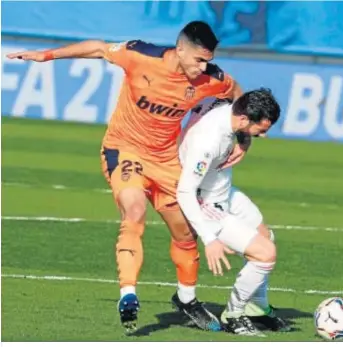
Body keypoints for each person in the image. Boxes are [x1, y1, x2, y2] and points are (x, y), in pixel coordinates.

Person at [7, 21, 248, 334]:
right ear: (180, 50)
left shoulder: (211, 79)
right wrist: (46, 55)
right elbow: (97, 47)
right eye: (199, 60)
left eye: (208, 60)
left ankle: (186, 300)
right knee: (134, 210)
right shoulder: (140, 55)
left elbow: (238, 95)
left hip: (165, 160)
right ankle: (128, 294)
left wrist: (243, 138)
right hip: (125, 150)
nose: (204, 66)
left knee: (185, 231)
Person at [177, 89, 290, 335]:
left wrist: (245, 140)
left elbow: (232, 88)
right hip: (206, 202)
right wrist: (210, 239)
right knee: (265, 254)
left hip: (223, 189)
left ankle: (256, 308)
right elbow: (184, 192)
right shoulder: (208, 142)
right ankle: (234, 315)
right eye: (260, 130)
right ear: (243, 119)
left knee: (265, 236)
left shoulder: (227, 105)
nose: (264, 134)